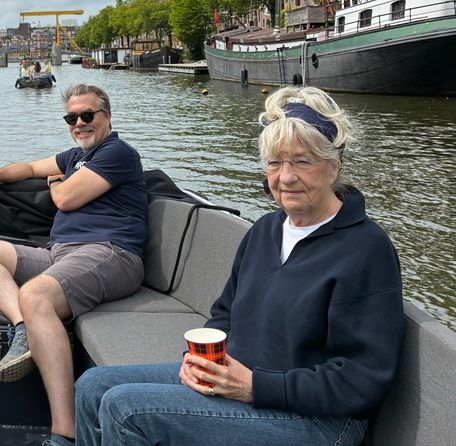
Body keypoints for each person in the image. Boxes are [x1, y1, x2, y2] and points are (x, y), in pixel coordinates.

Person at [75, 86, 405, 446]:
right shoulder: (266, 230)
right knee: (92, 388)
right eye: (275, 162)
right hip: (239, 383)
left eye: (303, 161)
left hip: (318, 421)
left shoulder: (365, 249)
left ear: (333, 167)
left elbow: (361, 378)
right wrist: (198, 360)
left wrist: (253, 386)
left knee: (127, 410)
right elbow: (225, 312)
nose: (286, 177)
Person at [0, 83, 148, 446]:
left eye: (87, 115)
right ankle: (23, 329)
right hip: (61, 252)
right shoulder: (75, 157)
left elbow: (63, 198)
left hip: (111, 252)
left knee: (36, 295)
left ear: (106, 117)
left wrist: (57, 180)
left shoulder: (118, 152)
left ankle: (65, 433)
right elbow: (29, 166)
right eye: (71, 117)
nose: (79, 123)